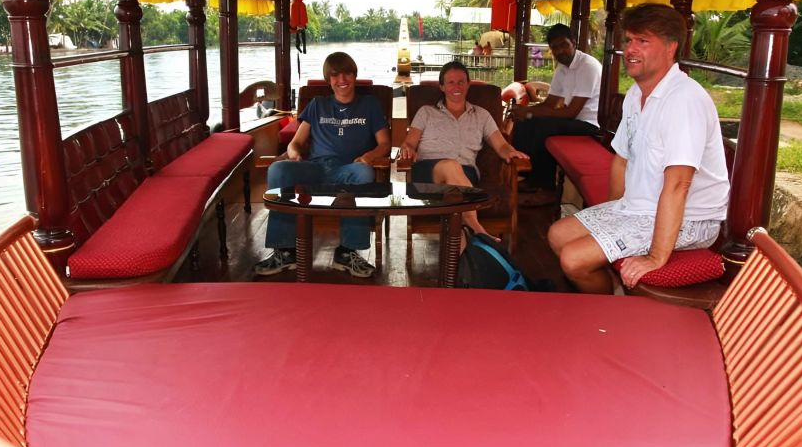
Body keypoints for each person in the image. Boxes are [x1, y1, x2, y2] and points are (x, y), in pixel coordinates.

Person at [547, 4, 730, 295]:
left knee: (574, 259)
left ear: (671, 48)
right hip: (640, 208)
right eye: (628, 40)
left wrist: (656, 257)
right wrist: (611, 219)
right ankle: (614, 296)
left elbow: (678, 185)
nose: (631, 49)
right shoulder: (635, 94)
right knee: (558, 234)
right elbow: (621, 160)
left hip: (692, 220)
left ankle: (608, 318)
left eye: (643, 41)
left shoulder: (683, 100)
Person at [254, 51, 391, 278]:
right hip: (315, 168)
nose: (342, 80)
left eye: (347, 74)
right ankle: (285, 251)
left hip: (349, 168)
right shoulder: (318, 104)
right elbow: (296, 142)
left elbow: (385, 143)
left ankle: (347, 253)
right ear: (329, 79)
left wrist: (369, 156)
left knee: (364, 173)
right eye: (335, 75)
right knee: (278, 168)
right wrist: (294, 153)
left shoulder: (370, 104)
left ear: (354, 75)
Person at [399, 60, 528, 239]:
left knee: (456, 220)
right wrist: (407, 148)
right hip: (428, 174)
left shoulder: (482, 115)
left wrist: (511, 152)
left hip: (466, 175)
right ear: (442, 87)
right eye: (450, 82)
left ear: (468, 84)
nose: (456, 86)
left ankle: (462, 258)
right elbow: (410, 143)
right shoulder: (426, 112)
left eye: (461, 81)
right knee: (450, 166)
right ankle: (479, 230)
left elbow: (501, 145)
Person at [510, 23, 602, 207]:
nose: (560, 51)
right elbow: (551, 103)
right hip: (573, 120)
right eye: (555, 47)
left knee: (544, 129)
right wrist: (524, 113)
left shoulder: (587, 66)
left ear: (574, 43)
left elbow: (571, 112)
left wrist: (530, 113)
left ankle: (547, 189)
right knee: (522, 123)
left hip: (590, 124)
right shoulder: (562, 68)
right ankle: (527, 176)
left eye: (563, 45)